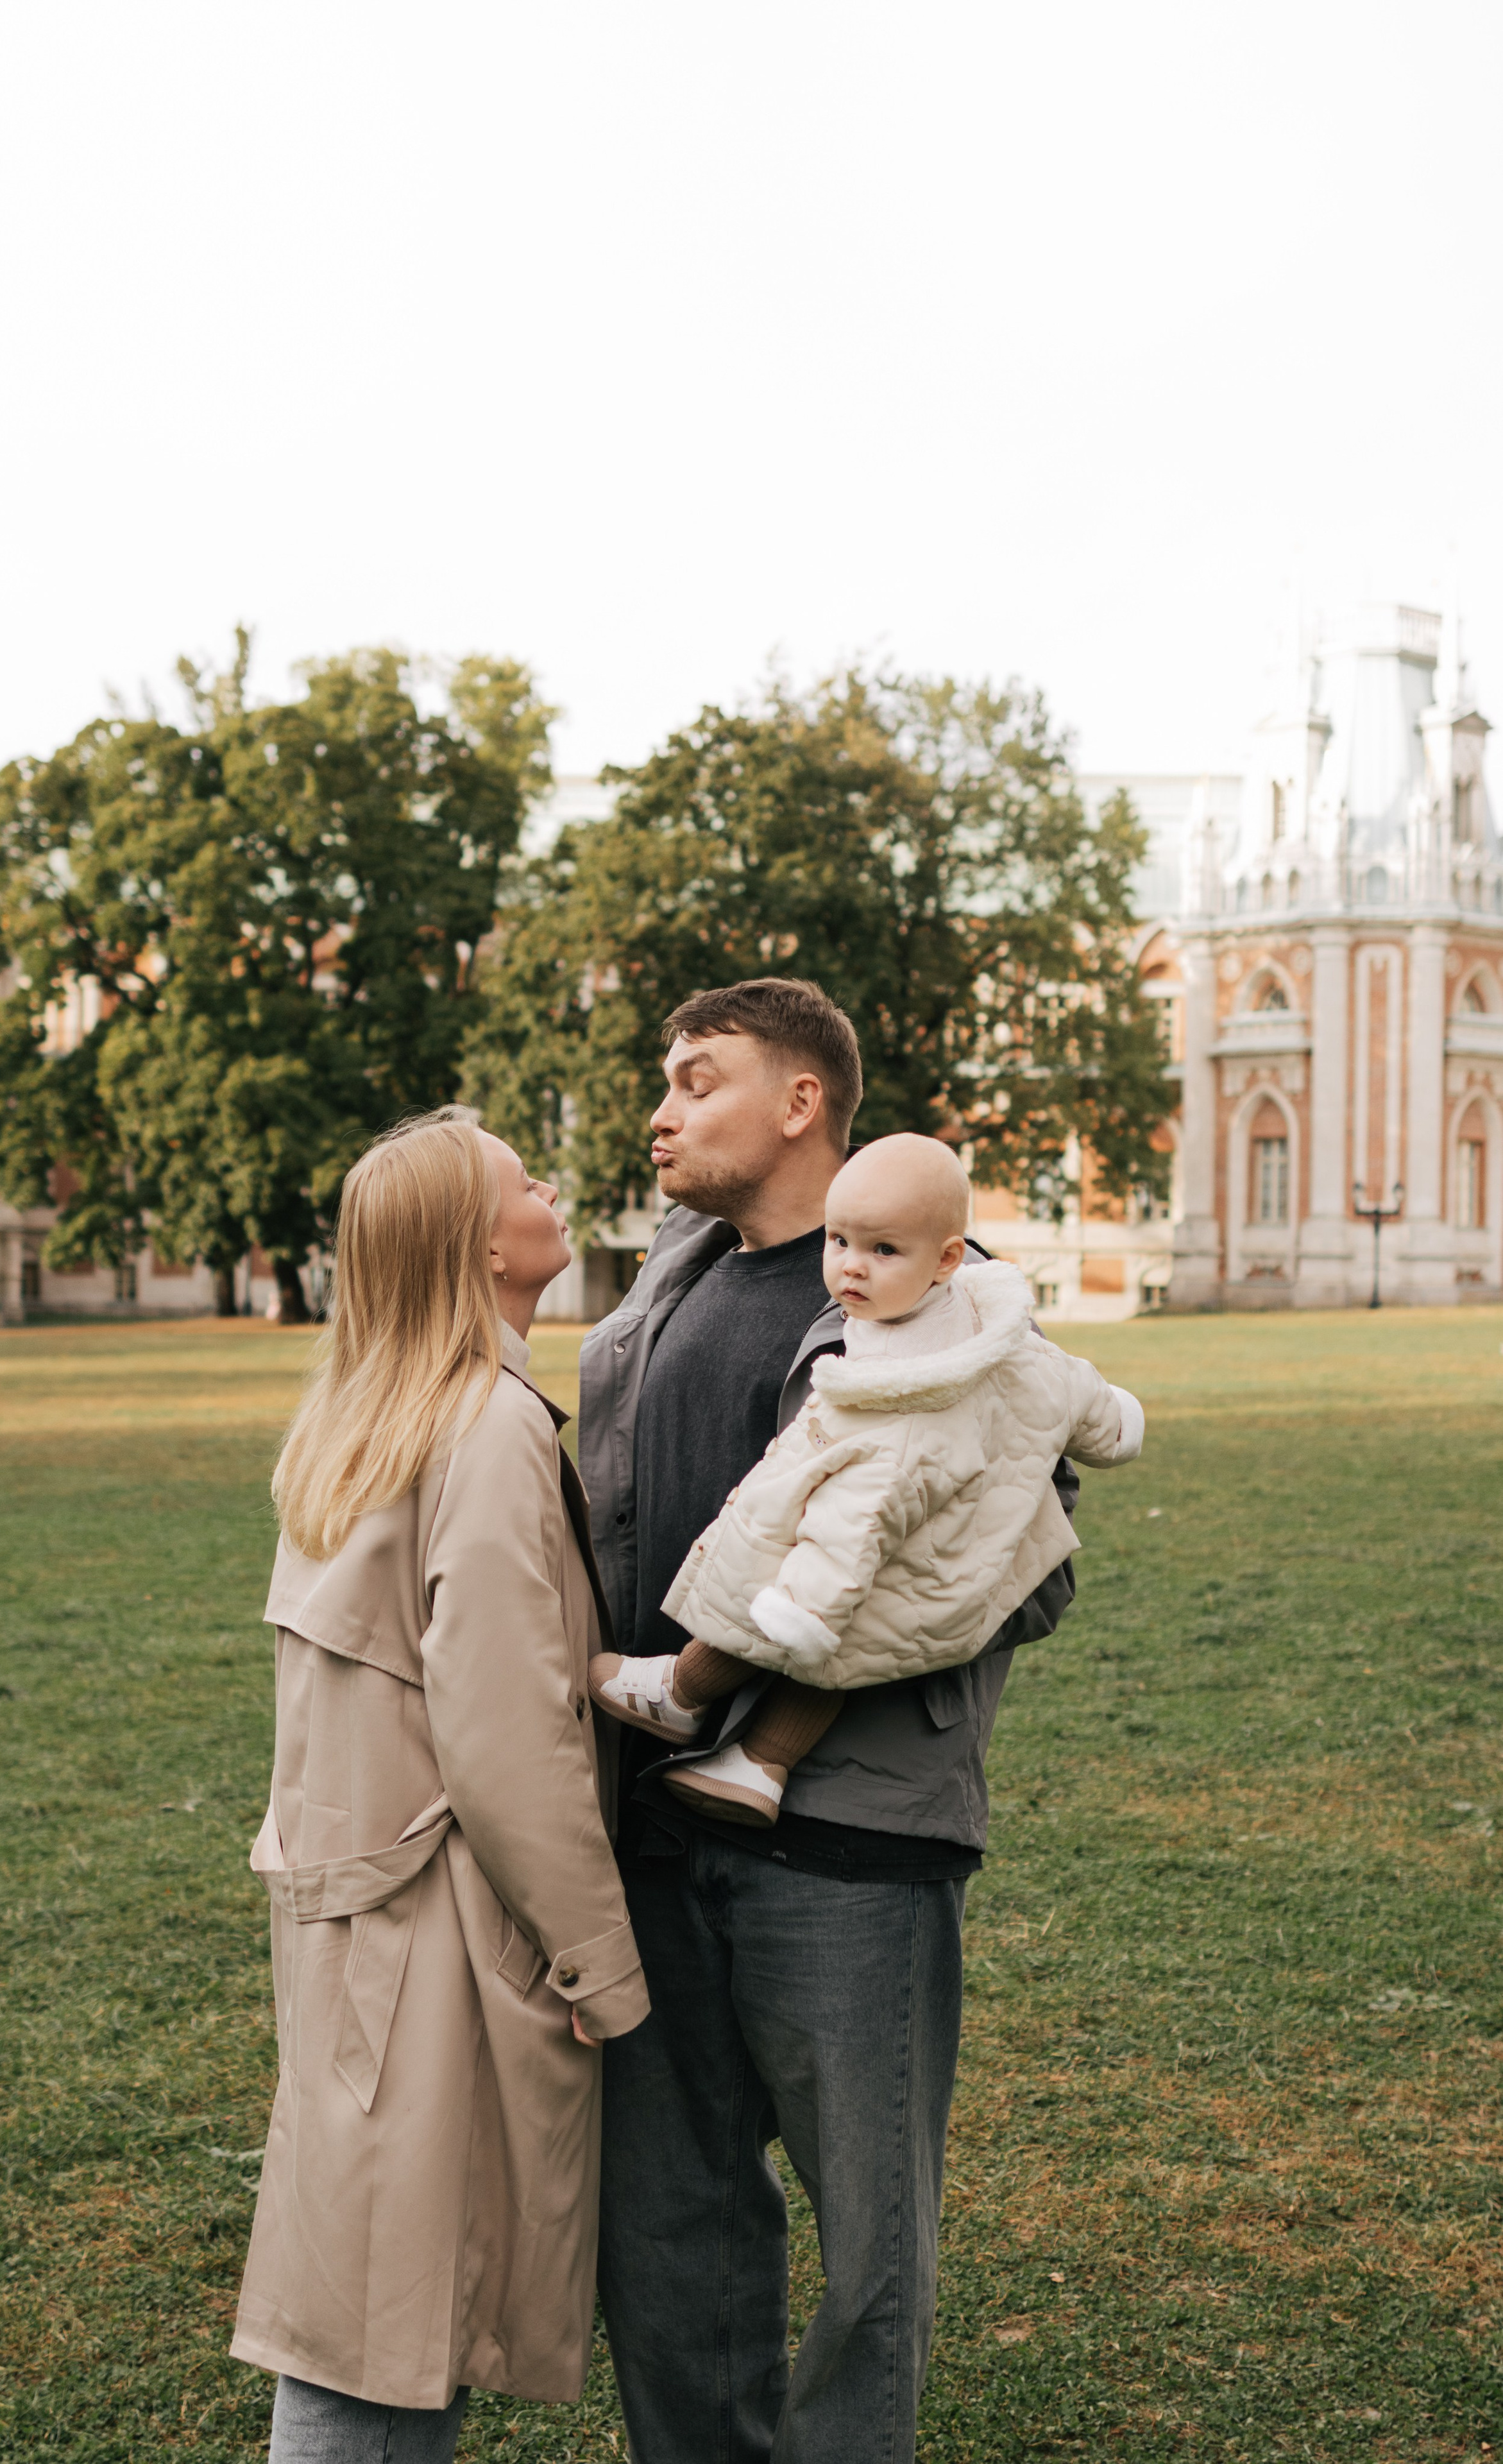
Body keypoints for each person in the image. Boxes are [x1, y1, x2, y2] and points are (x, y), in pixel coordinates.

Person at [577, 978, 1085, 2464]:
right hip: (646, 1834)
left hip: (846, 1847)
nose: (658, 1110)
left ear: (800, 1101)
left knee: (869, 2249)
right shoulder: (665, 1281)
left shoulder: (938, 1293)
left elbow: (1023, 1571)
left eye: (694, 1079)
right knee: (667, 2230)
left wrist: (781, 1663)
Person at [231, 1108, 649, 2464]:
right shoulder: (483, 1426)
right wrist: (602, 1969)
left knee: (364, 2304)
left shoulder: (366, 1417)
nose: (551, 1187)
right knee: (385, 2333)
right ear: (478, 1245)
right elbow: (503, 1735)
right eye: (523, 1178)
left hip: (357, 1924)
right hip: (433, 1941)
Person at [590, 1131, 1143, 1824]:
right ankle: (761, 1763)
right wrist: (1117, 1425)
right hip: (927, 1578)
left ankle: (682, 1690)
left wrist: (804, 1607)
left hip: (866, 1573)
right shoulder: (994, 1327)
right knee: (862, 1640)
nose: (852, 1268)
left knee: (794, 1603)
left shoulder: (898, 1402)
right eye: (839, 1241)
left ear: (946, 1259)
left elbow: (853, 1522)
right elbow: (1074, 1391)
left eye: (882, 1251)